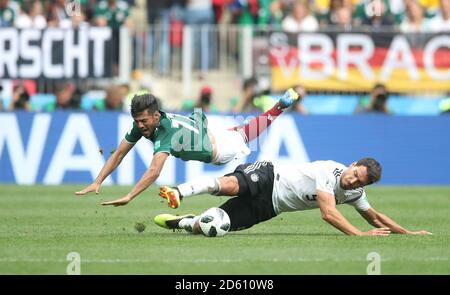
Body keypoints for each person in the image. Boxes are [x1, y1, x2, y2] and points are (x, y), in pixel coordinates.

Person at [75, 89, 300, 206]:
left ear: (155, 116)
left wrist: (130, 196)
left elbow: (154, 171)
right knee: (239, 131)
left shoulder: (165, 132)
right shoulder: (146, 124)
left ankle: (279, 106)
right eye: (136, 121)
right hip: (198, 124)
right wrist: (98, 181)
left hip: (219, 150)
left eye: (143, 120)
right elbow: (119, 154)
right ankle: (278, 106)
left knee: (243, 134)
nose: (139, 125)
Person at [155, 158, 432, 236]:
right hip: (268, 177)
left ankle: (182, 222)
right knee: (229, 184)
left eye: (359, 181)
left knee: (208, 227)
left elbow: (375, 216)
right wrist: (358, 235)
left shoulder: (354, 192)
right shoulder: (329, 170)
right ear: (352, 164)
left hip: (270, 207)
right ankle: (179, 191)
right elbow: (328, 213)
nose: (352, 180)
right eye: (355, 173)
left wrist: (407, 232)